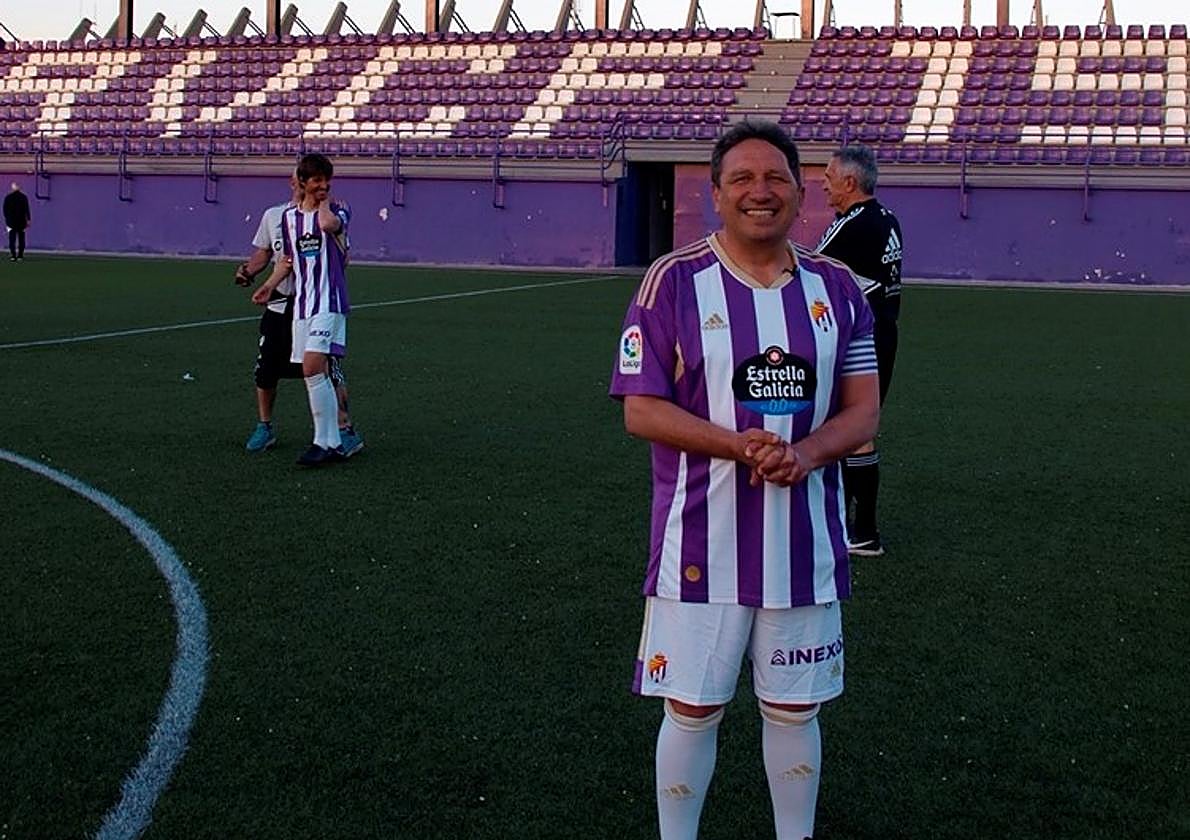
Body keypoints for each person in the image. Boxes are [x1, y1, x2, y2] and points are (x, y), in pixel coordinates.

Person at [609, 120, 880, 840]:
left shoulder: (838, 289)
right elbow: (641, 408)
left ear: (799, 193)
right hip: (698, 543)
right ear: (717, 195)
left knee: (794, 710)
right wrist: (738, 446)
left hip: (804, 546)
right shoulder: (673, 280)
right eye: (743, 179)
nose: (760, 192)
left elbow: (864, 411)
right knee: (692, 708)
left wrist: (809, 452)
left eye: (776, 179)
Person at [816, 144, 903, 556]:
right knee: (862, 430)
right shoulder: (888, 219)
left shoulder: (851, 223)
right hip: (883, 333)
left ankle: (842, 524)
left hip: (853, 339)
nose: (822, 183)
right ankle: (863, 531)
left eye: (829, 177)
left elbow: (808, 269)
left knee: (840, 429)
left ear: (850, 182)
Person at [236, 174, 362, 457]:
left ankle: (343, 431)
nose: (300, 185)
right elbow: (268, 253)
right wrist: (251, 274)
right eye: (299, 180)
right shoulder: (277, 216)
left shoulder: (330, 213)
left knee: (325, 368)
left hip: (316, 303)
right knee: (267, 367)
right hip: (281, 305)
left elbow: (343, 255)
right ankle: (265, 427)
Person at [3, 182, 31, 261]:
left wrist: (7, 220)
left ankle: (13, 256)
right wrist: (28, 220)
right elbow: (26, 209)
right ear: (19, 188)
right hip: (21, 222)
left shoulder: (8, 197)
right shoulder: (23, 197)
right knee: (21, 239)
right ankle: (20, 256)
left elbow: (5, 210)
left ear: (12, 187)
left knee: (12, 239)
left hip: (11, 222)